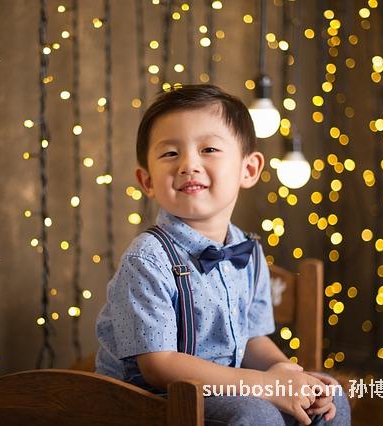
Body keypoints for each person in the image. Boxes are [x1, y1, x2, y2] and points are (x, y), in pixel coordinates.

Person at [95, 84, 350, 425]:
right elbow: (159, 365)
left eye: (209, 149)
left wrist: (286, 374)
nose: (189, 164)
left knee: (330, 394)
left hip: (228, 386)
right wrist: (264, 385)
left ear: (249, 169)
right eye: (170, 153)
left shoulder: (249, 250)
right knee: (254, 413)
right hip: (148, 400)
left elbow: (252, 337)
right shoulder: (148, 259)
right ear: (147, 181)